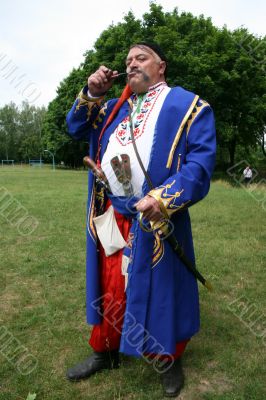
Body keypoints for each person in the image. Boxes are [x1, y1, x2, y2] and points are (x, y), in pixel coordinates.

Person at [65, 42, 216, 397]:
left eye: (141, 58)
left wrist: (162, 198)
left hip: (156, 216)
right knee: (111, 285)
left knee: (162, 289)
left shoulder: (189, 106)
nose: (132, 64)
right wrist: (92, 91)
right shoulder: (114, 108)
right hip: (113, 212)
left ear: (161, 66)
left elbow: (200, 164)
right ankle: (106, 351)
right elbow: (74, 127)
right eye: (128, 60)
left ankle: (167, 357)